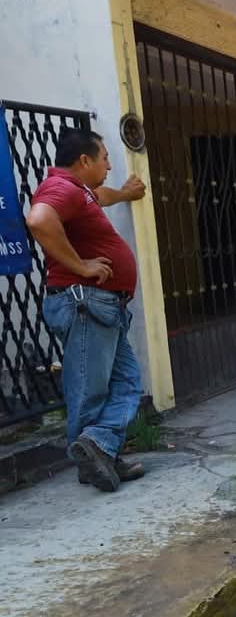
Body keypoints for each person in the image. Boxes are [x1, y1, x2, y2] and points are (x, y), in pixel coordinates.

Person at [26, 127, 147, 492]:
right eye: (105, 158)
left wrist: (125, 194)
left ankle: (102, 451)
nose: (109, 165)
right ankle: (94, 457)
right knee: (89, 390)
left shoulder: (80, 193)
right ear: (84, 160)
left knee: (126, 382)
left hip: (102, 307)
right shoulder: (61, 187)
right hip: (85, 303)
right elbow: (39, 220)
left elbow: (101, 195)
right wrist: (81, 266)